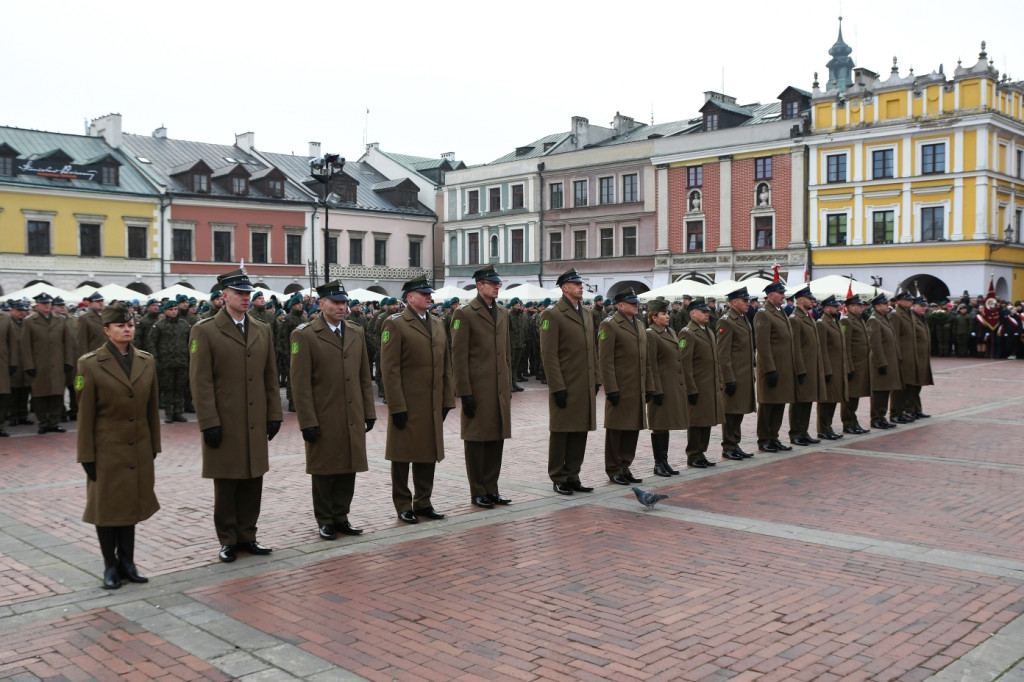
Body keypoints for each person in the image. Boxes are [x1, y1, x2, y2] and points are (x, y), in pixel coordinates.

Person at [189, 268, 282, 563]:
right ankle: (228, 539)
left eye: (247, 293)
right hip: (225, 420)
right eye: (239, 293)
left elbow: (270, 375)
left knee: (254, 478)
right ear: (223, 296)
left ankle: (248, 535)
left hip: (254, 418)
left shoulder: (261, 328)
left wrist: (274, 413)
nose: (245, 298)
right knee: (227, 482)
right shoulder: (204, 330)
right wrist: (209, 422)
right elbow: (200, 381)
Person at [75, 304, 160, 589]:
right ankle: (110, 565)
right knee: (107, 509)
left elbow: (151, 408)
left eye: (131, 325)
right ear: (106, 331)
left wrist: (154, 446)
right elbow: (84, 414)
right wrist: (86, 454)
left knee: (130, 507)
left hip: (138, 446)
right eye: (121, 326)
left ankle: (128, 562)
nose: (127, 329)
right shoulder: (89, 363)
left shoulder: (146, 361)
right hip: (106, 447)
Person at [290, 281, 374, 540]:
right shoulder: (304, 335)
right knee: (324, 469)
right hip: (324, 414)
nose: (341, 307)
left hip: (352, 412)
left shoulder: (355, 332)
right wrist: (307, 421)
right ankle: (325, 519)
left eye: (343, 302)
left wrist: (368, 411)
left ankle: (341, 516)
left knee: (349, 466)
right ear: (321, 303)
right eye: (335, 302)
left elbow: (363, 375)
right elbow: (299, 383)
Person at [381, 278, 455, 524]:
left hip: (431, 402)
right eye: (423, 294)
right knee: (402, 457)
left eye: (429, 293)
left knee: (427, 454)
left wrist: (446, 399)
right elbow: (389, 370)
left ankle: (423, 501)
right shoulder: (396, 324)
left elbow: (445, 364)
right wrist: (397, 406)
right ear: (410, 297)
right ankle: (403, 504)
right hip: (407, 402)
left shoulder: (436, 323)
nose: (428, 297)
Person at [451, 267, 513, 509]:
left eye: (498, 283)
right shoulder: (464, 314)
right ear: (479, 285)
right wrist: (464, 392)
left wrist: (507, 384)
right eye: (491, 283)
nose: (497, 286)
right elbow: (459, 355)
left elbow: (505, 352)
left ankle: (492, 489)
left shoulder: (502, 313)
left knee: (497, 438)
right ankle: (478, 491)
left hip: (498, 389)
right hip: (477, 389)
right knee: (477, 441)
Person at [541, 268, 599, 495]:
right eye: (576, 284)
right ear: (565, 288)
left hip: (583, 383)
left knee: (580, 430)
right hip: (565, 384)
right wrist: (557, 387)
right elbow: (549, 354)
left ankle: (573, 474)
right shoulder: (553, 314)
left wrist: (596, 379)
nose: (580, 286)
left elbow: (591, 348)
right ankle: (558, 476)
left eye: (581, 283)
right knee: (561, 431)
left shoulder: (586, 313)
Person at [599, 288, 653, 485]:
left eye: (636, 302)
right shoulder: (610, 325)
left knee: (633, 428)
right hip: (620, 387)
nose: (636, 305)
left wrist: (649, 385)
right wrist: (611, 388)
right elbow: (605, 360)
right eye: (632, 302)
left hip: (636, 386)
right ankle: (614, 469)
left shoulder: (639, 325)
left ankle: (625, 466)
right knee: (617, 430)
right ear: (620, 305)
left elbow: (644, 358)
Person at [680, 298, 725, 468]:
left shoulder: (708, 331)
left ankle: (701, 453)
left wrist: (719, 381)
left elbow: (715, 360)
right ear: (693, 314)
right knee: (696, 422)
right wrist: (691, 388)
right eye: (703, 312)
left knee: (707, 420)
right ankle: (693, 455)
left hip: (709, 386)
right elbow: (685, 364)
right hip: (697, 386)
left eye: (707, 311)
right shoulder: (687, 333)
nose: (707, 314)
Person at [22, 292, 74, 434]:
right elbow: (26, 346)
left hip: (57, 364)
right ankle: (43, 423)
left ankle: (54, 423)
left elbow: (67, 343)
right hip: (39, 364)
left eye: (48, 303)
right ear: (37, 305)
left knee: (57, 394)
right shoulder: (29, 322)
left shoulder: (60, 320)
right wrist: (29, 365)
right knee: (40, 395)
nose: (47, 305)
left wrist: (68, 361)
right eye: (43, 303)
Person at [645, 298, 686, 476]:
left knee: (666, 423)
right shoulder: (651, 334)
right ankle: (658, 463)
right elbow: (651, 364)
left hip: (671, 385)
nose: (667, 316)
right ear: (654, 317)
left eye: (668, 313)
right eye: (664, 314)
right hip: (660, 385)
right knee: (659, 425)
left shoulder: (670, 332)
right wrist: (655, 389)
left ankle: (664, 461)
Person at [754, 281, 795, 452]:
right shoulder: (763, 314)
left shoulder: (780, 312)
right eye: (780, 293)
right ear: (771, 295)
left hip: (783, 367)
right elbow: (763, 345)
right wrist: (770, 369)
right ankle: (764, 439)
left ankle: (774, 437)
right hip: (771, 368)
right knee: (768, 405)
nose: (784, 296)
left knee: (779, 403)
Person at [716, 287, 756, 460]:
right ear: (734, 303)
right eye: (744, 301)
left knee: (738, 411)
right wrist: (728, 378)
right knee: (731, 412)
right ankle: (728, 446)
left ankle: (735, 443)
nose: (748, 303)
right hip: (733, 375)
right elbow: (722, 353)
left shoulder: (742, 318)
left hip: (744, 374)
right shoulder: (726, 321)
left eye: (748, 300)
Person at [788, 286, 823, 446]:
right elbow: (795, 347)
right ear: (801, 300)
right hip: (802, 368)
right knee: (799, 402)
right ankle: (796, 433)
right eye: (810, 299)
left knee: (807, 400)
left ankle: (803, 431)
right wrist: (800, 369)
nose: (813, 301)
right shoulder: (795, 319)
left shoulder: (807, 317)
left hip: (811, 367)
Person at [148, 301, 191, 424]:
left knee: (180, 387)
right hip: (165, 362)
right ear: (165, 311)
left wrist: (192, 355)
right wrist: (155, 359)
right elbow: (151, 343)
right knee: (167, 388)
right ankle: (168, 412)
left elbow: (192, 341)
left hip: (182, 361)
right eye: (171, 309)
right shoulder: (159, 325)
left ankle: (178, 411)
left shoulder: (184, 324)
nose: (174, 311)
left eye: (175, 309)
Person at [866, 294, 902, 430]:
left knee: (885, 391)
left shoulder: (884, 318)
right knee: (879, 393)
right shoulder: (874, 320)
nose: (888, 306)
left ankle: (882, 417)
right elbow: (875, 344)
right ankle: (876, 419)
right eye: (885, 304)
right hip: (879, 363)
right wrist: (881, 363)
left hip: (888, 361)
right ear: (877, 306)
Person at [815, 295, 848, 439]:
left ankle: (828, 427)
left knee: (834, 398)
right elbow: (822, 349)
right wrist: (827, 370)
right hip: (829, 369)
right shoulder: (822, 323)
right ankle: (823, 429)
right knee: (826, 401)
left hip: (837, 367)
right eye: (835, 306)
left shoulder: (835, 322)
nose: (838, 308)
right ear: (827, 308)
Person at [840, 295, 872, 434]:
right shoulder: (847, 321)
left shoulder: (859, 320)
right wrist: (848, 366)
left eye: (862, 305)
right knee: (850, 397)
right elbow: (845, 346)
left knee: (856, 396)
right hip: (853, 365)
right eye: (858, 305)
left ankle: (853, 422)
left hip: (861, 365)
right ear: (850, 307)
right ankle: (848, 423)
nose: (861, 307)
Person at [908, 297, 934, 418]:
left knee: (918, 386)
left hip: (922, 358)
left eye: (925, 306)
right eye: (921, 306)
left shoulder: (921, 318)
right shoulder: (912, 318)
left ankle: (916, 409)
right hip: (915, 357)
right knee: (912, 385)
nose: (924, 308)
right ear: (914, 306)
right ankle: (909, 409)